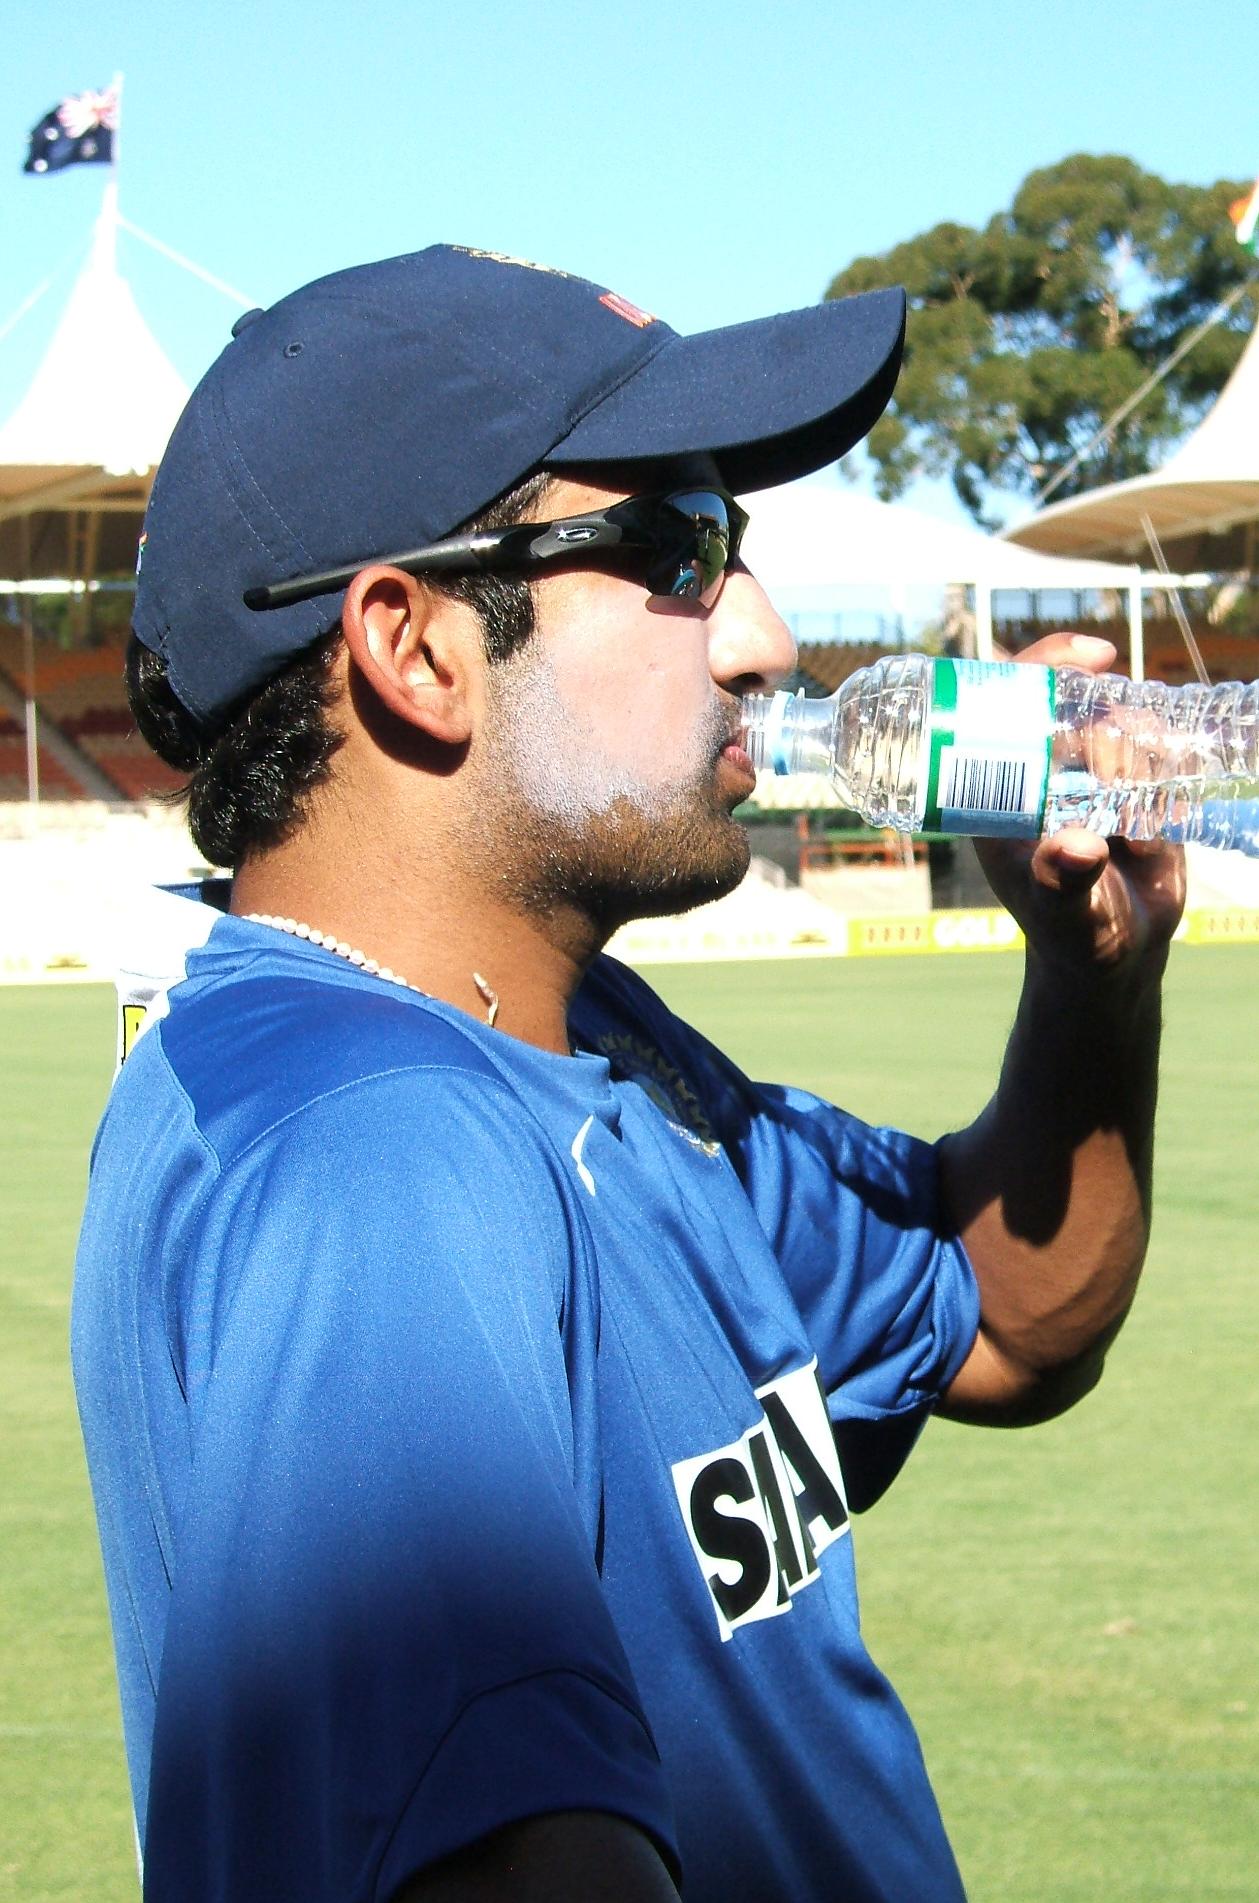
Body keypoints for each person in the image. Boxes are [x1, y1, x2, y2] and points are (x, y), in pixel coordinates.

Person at [72, 243, 1185, 1903]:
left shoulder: (584, 1049)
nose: (769, 638)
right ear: (417, 646)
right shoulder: (377, 1154)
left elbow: (1011, 1317)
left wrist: (1095, 976)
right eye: (676, 553)